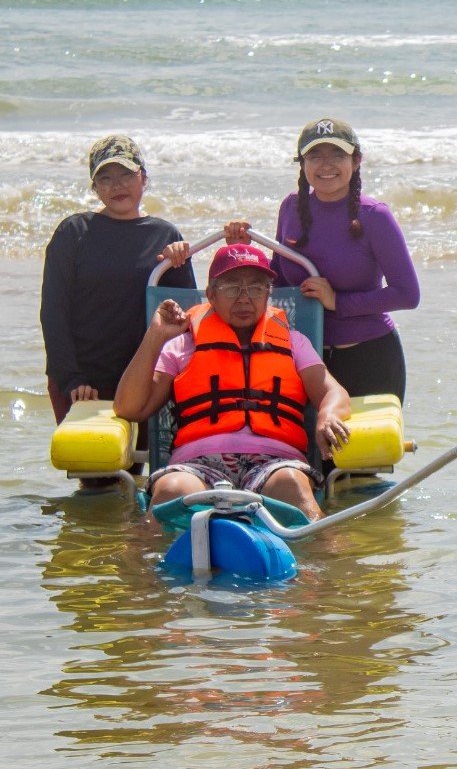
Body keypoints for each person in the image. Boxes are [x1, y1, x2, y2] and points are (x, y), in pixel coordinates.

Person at [113, 244, 351, 520]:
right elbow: (129, 408)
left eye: (255, 288)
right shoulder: (182, 344)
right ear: (211, 294)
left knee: (292, 484)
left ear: (268, 295)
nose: (244, 299)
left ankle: (328, 562)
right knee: (169, 490)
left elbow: (333, 391)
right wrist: (155, 336)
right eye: (231, 288)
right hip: (196, 464)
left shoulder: (294, 342)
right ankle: (140, 563)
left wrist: (328, 414)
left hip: (275, 463)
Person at [226, 118, 419, 402]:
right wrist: (245, 251)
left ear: (356, 161)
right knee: (303, 447)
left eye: (337, 155)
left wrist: (337, 302)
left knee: (363, 447)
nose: (326, 165)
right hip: (304, 357)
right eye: (315, 156)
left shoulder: (375, 216)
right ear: (302, 164)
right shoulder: (291, 207)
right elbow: (277, 279)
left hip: (368, 357)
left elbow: (407, 295)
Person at [40, 134, 195, 424]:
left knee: (152, 468)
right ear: (95, 187)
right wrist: (71, 379)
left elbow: (183, 320)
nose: (117, 185)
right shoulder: (73, 232)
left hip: (147, 378)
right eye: (106, 178)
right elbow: (53, 313)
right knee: (98, 469)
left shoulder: (165, 236)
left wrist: (178, 260)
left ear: (144, 178)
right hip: (84, 383)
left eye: (126, 174)